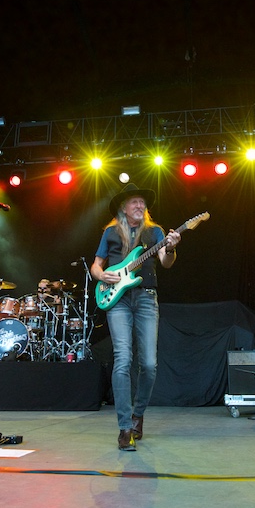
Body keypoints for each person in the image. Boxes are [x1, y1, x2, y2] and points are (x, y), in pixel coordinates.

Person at [91, 184, 181, 451]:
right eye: (135, 202)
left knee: (150, 364)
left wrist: (172, 247)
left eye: (143, 202)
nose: (140, 206)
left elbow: (165, 261)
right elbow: (97, 264)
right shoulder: (110, 232)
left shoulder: (155, 232)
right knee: (122, 359)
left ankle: (137, 414)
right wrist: (101, 275)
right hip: (117, 299)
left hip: (145, 298)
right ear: (123, 207)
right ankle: (124, 428)